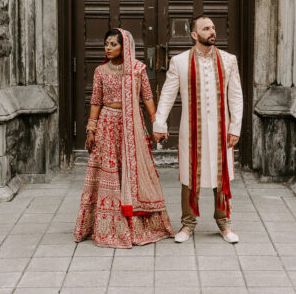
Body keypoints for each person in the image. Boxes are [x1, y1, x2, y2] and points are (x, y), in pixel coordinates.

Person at [74, 28, 174, 248]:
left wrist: (157, 122)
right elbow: (96, 101)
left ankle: (137, 224)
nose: (108, 48)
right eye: (106, 44)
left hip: (131, 125)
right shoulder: (100, 71)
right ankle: (107, 225)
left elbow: (147, 97)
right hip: (107, 125)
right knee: (109, 173)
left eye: (113, 44)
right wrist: (91, 129)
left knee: (133, 171)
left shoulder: (137, 70)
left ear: (125, 46)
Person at [153, 16, 243, 244]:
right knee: (189, 176)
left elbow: (236, 96)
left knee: (221, 175)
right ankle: (188, 224)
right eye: (206, 28)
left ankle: (224, 224)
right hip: (191, 131)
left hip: (221, 130)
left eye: (213, 27)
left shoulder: (229, 60)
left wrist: (235, 127)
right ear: (194, 35)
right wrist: (160, 123)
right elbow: (167, 94)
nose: (212, 31)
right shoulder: (180, 61)